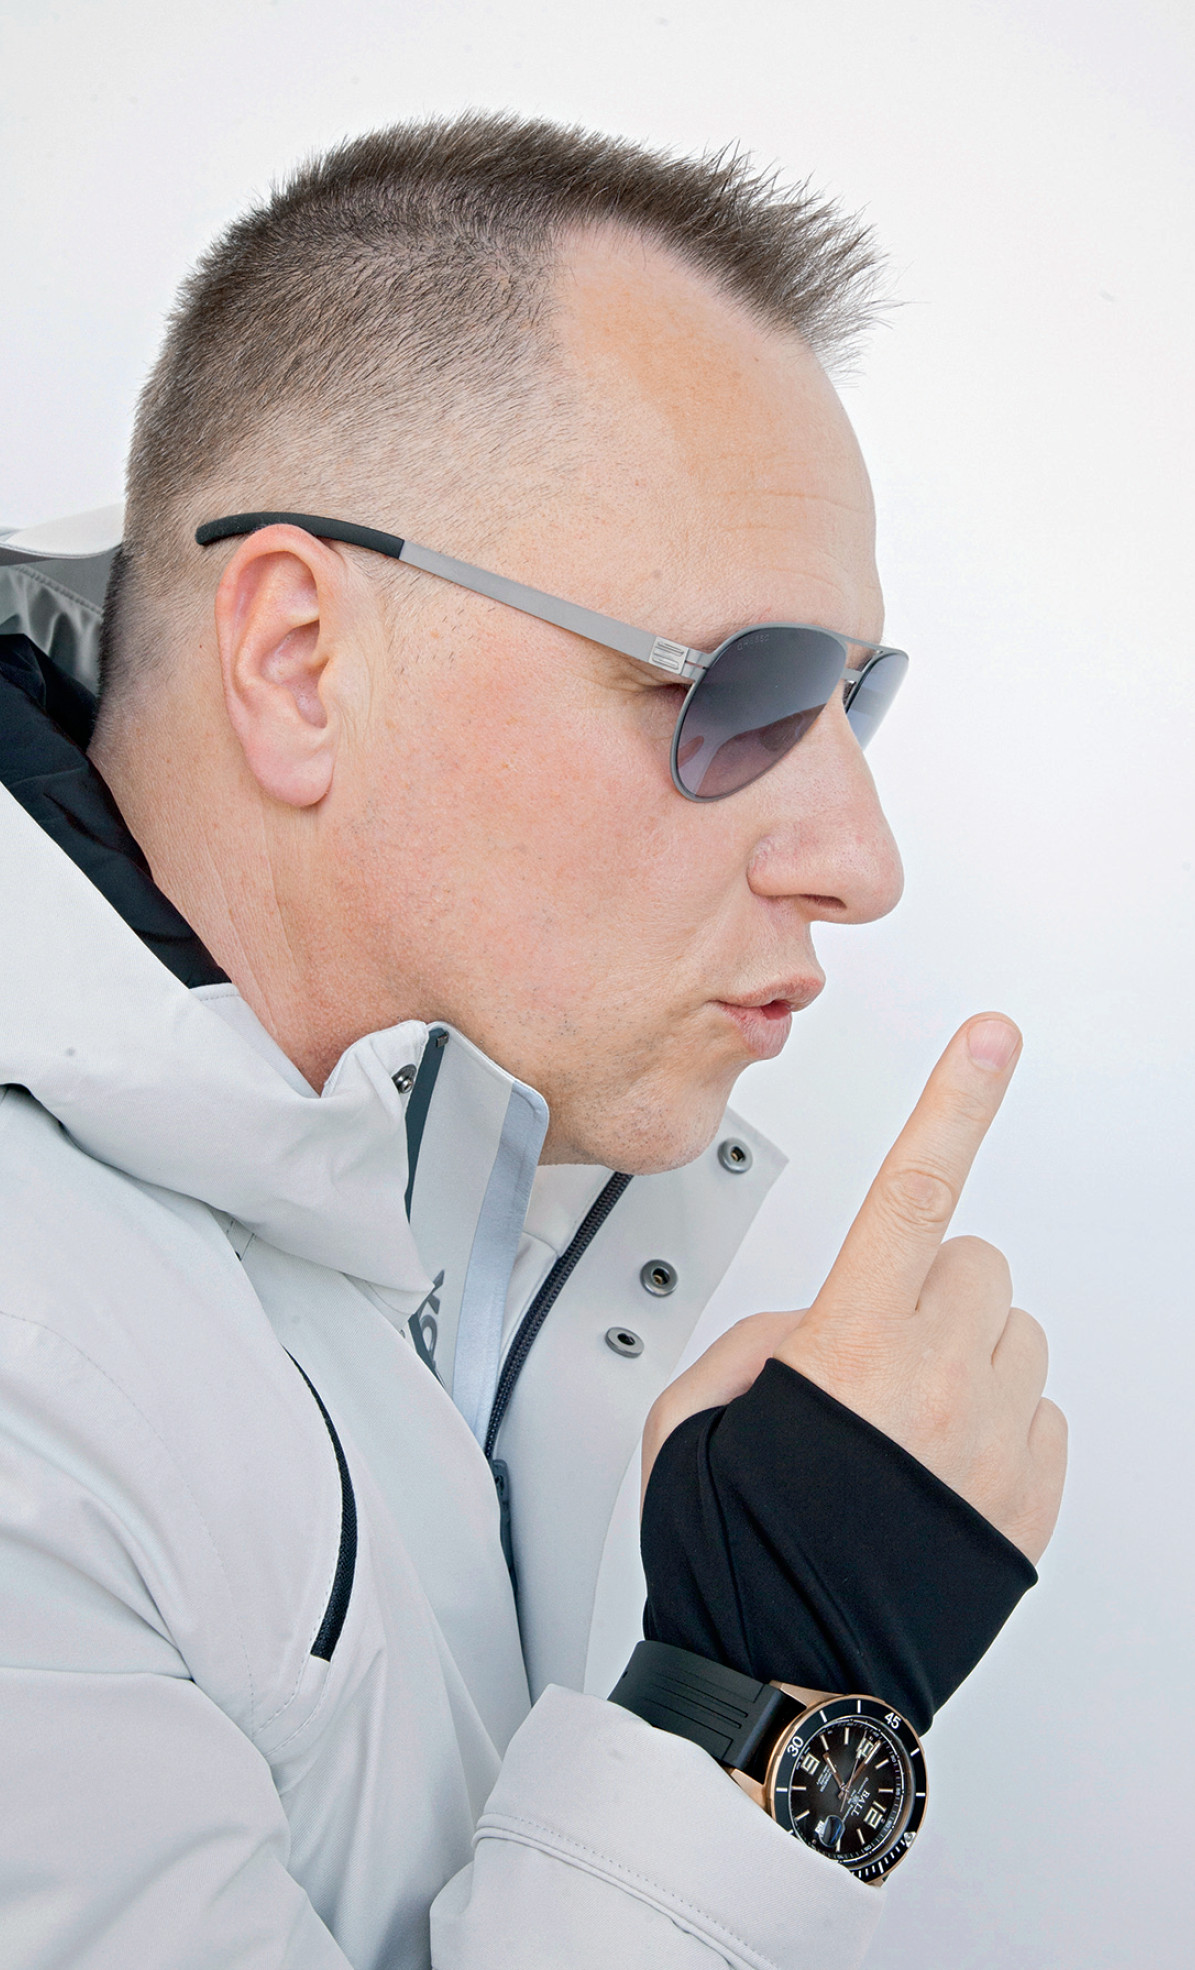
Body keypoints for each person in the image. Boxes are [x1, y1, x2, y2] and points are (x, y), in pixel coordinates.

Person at [0, 114, 1066, 1968]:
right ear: (300, 661)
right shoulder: (32, 1379)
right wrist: (758, 1713)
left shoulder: (412, 1156)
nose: (862, 860)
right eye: (739, 690)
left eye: (854, 697)